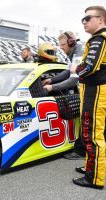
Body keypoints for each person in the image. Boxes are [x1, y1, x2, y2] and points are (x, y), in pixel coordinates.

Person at [71, 6, 106, 189]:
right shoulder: (100, 38)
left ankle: (94, 178)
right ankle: (91, 167)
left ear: (101, 20)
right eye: (83, 19)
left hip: (96, 91)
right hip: (95, 90)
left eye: (87, 18)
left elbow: (89, 66)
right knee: (91, 132)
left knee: (93, 134)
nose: (84, 22)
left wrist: (75, 69)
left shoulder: (99, 38)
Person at [42, 32, 85, 160]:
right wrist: (51, 80)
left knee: (88, 122)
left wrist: (51, 87)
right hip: (88, 88)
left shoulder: (80, 52)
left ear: (71, 42)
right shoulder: (73, 54)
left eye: (63, 45)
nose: (61, 48)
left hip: (98, 89)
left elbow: (72, 80)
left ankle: (81, 151)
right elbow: (67, 72)